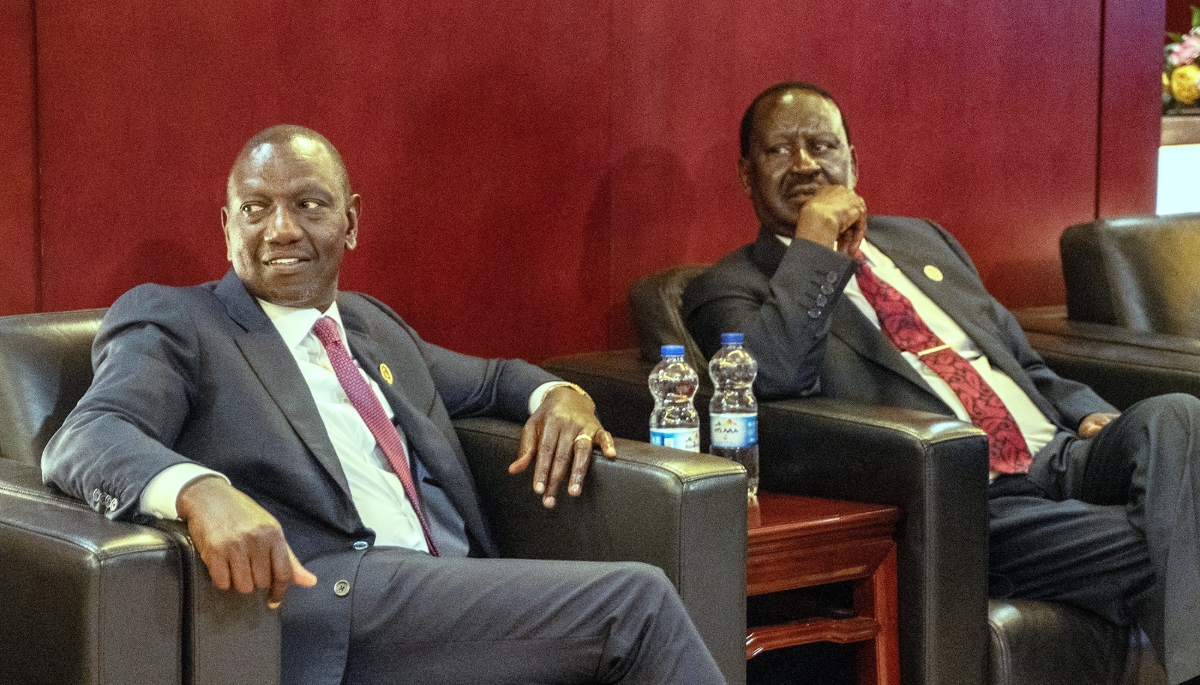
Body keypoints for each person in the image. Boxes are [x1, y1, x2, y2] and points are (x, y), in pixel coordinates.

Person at [43, 125, 725, 685]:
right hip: (332, 598)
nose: (280, 228)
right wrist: (199, 489)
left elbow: (491, 381)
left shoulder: (370, 326)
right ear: (228, 227)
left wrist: (562, 396)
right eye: (256, 209)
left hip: (445, 592)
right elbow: (91, 433)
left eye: (308, 205)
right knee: (636, 603)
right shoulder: (180, 321)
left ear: (352, 222)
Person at [682, 82, 1200, 685]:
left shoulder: (924, 241)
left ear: (852, 160)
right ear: (746, 175)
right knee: (1176, 532)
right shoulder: (727, 288)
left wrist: (1086, 412)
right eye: (779, 151)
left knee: (1179, 413)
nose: (804, 164)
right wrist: (815, 249)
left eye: (821, 145)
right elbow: (771, 376)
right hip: (971, 498)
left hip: (1062, 456)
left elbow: (1020, 363)